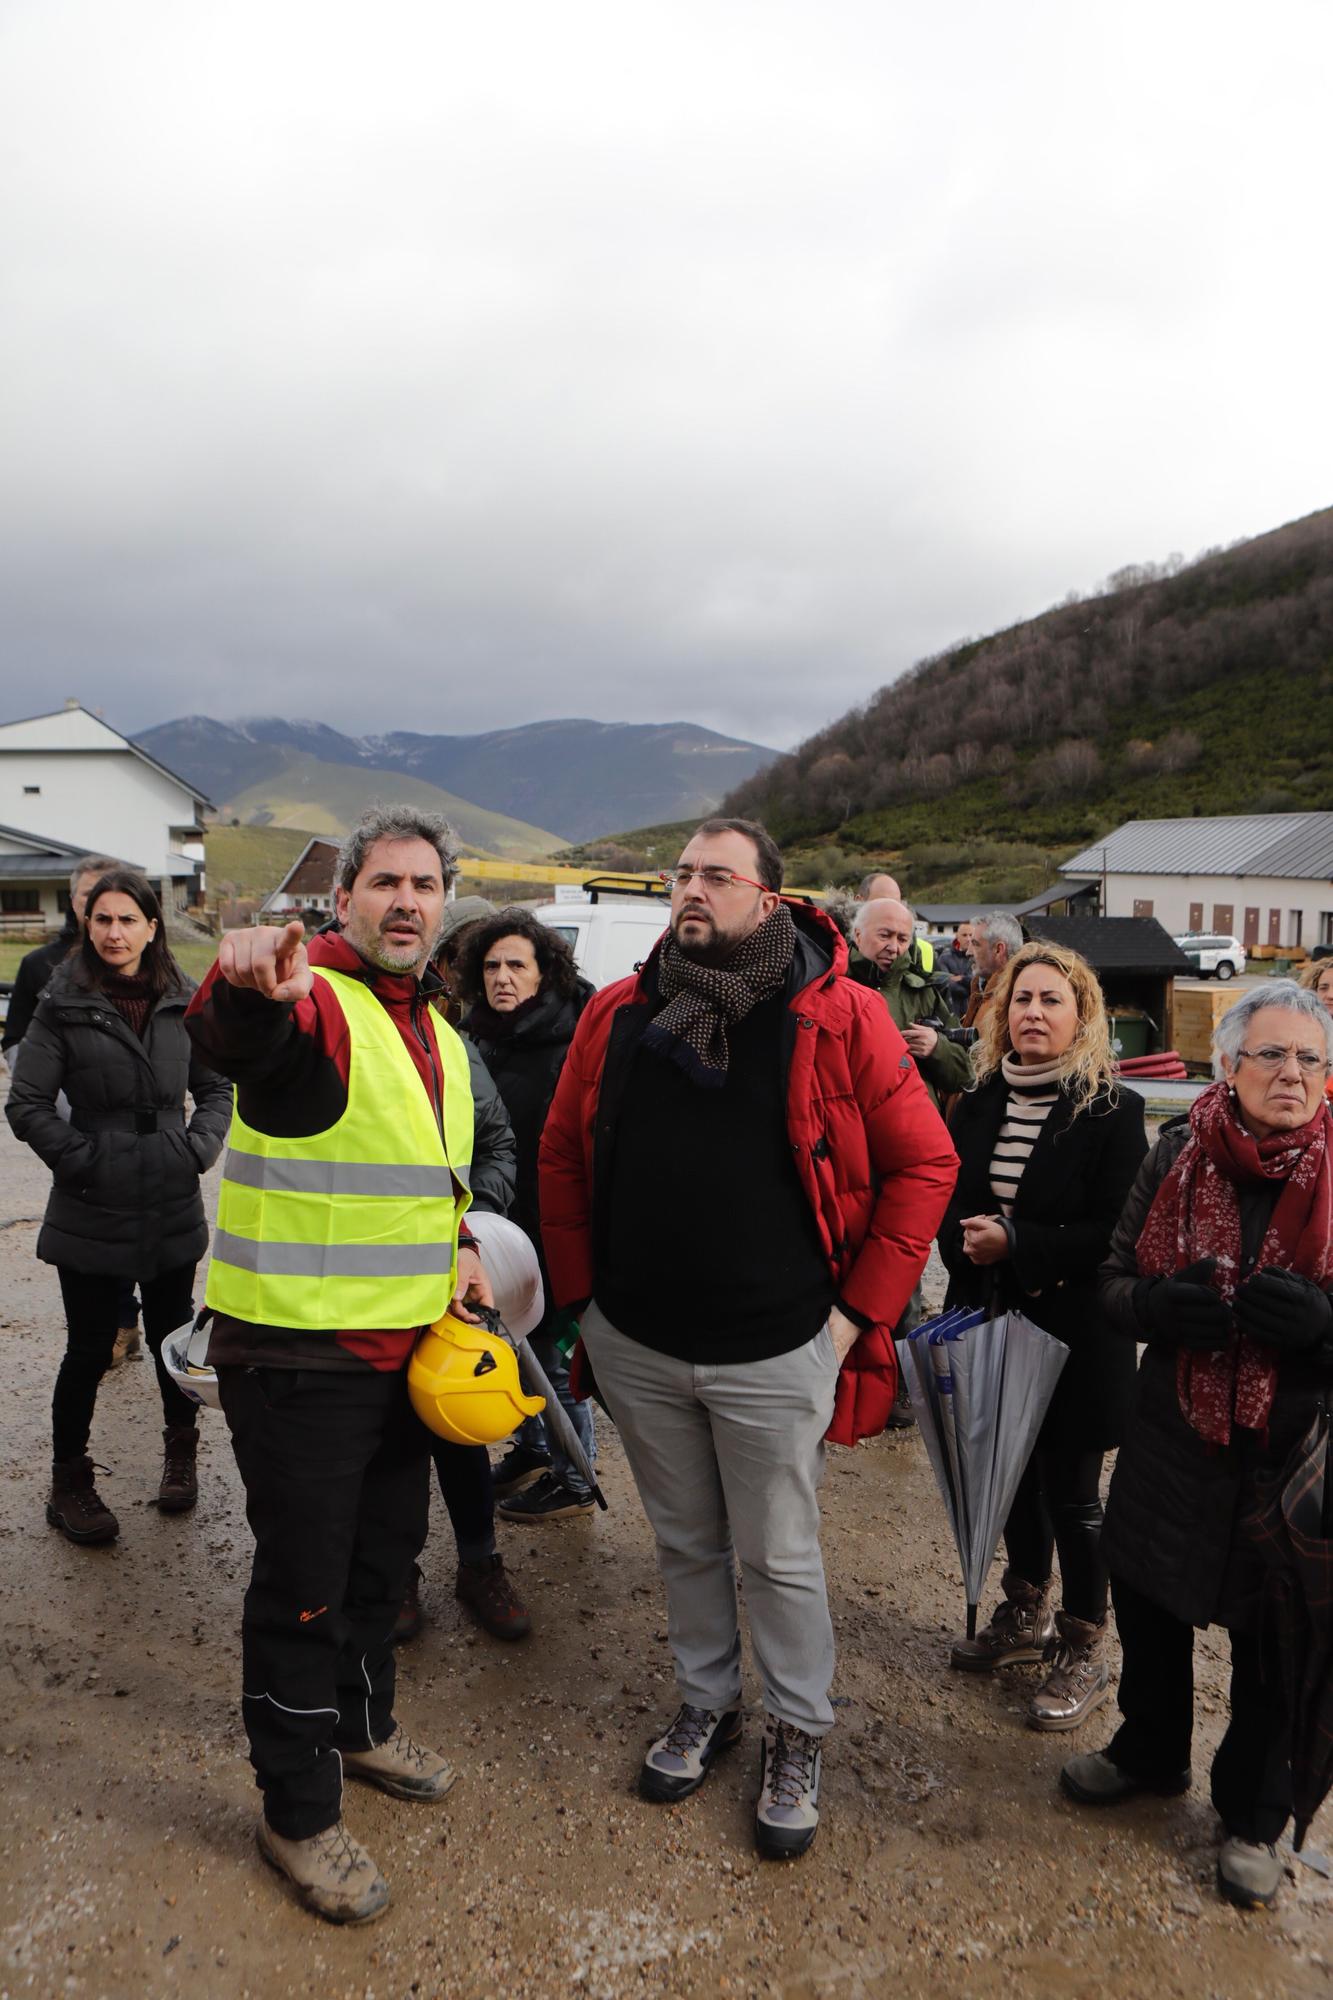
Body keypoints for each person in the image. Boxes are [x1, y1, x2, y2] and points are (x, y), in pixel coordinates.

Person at [540, 817, 958, 1860]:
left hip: (778, 1342)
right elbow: (559, 1151)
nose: (691, 888)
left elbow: (924, 1164)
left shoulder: (838, 1012)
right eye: (681, 873)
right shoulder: (618, 1010)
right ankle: (707, 1701)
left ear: (766, 899)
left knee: (778, 1553)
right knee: (683, 1540)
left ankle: (798, 1729)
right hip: (637, 1337)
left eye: (715, 875)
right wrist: (584, 1297)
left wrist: (852, 1316)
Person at [184, 806, 494, 1927]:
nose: (405, 900)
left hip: (399, 1353)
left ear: (443, 900)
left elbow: (426, 1179)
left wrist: (462, 1247)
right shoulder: (312, 999)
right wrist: (245, 985)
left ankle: (361, 1730)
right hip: (297, 1357)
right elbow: (237, 1041)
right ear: (343, 897)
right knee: (303, 1592)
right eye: (384, 882)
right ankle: (297, 1811)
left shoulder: (439, 1032)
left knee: (382, 1567)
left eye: (424, 883)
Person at [1062, 980, 1333, 1912]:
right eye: (1271, 1054)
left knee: (1271, 1640)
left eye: (1309, 1058)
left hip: (1288, 1453)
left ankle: (1253, 1814)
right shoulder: (1176, 1150)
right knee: (1146, 1601)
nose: (1291, 1073)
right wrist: (1151, 1306)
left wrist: (1322, 1329)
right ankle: (1147, 1750)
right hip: (1173, 1438)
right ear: (1226, 1065)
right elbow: (1108, 1277)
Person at [939, 942, 1147, 1729]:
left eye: (1050, 1001)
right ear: (1001, 1013)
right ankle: (1023, 1613)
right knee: (1009, 1479)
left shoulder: (1111, 1110)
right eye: (1020, 999)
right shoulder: (982, 1098)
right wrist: (962, 1254)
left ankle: (1082, 1645)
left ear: (1080, 1016)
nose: (1032, 1012)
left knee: (1070, 1492)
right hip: (990, 1320)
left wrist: (1018, 1245)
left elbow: (1112, 1233)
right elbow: (948, 1198)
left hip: (1073, 1334)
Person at [6, 868, 232, 1542]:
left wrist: (196, 1148)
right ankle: (69, 1484)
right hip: (91, 1201)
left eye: (126, 920)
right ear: (88, 925)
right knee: (87, 1347)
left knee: (173, 1335)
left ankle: (179, 1456)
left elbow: (215, 1086)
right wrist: (84, 1159)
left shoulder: (183, 1001)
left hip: (170, 1193)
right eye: (101, 920)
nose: (113, 932)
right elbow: (27, 1104)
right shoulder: (61, 1002)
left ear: (152, 927)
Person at [393, 903, 527, 1646]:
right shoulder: (344, 1035)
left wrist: (469, 1233)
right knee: (389, 1437)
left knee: (460, 1421)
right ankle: (396, 1572)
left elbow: (497, 1145)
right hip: (365, 1284)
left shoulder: (451, 1045)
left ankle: (479, 1563)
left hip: (449, 1278)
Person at [457, 907, 597, 1521]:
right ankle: (534, 1448)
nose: (503, 977)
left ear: (546, 972)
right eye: (491, 966)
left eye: (518, 964)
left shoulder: (574, 1038)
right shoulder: (479, 1034)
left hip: (555, 1225)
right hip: (499, 1224)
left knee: (557, 1361)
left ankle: (575, 1477)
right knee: (513, 1348)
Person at [2, 854, 143, 1366]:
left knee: (139, 1226)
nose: (103, 913)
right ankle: (108, 1325)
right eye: (89, 898)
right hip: (73, 1125)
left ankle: (126, 1321)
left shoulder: (149, 970)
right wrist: (50, 1106)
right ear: (77, 903)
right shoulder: (41, 965)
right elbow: (16, 1038)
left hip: (133, 1130)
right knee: (91, 1233)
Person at [849, 898, 971, 1110]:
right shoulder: (833, 986)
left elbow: (965, 1075)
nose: (894, 947)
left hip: (914, 1130)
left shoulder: (923, 993)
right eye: (884, 935)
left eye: (902, 939)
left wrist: (936, 1047)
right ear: (858, 935)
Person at [957, 911, 1023, 1041]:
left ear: (999, 950)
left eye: (975, 944)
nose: (968, 952)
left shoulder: (1013, 1002)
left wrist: (938, 1046)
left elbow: (982, 1059)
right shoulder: (983, 991)